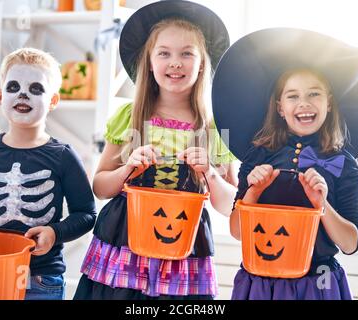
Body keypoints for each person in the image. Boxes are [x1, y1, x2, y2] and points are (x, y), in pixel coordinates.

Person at [74, 0, 237, 300]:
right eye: (164, 53)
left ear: (203, 62)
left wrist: (211, 174)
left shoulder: (214, 128)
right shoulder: (130, 117)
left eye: (187, 53)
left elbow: (231, 206)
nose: (175, 62)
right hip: (124, 244)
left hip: (184, 249)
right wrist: (127, 170)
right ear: (149, 61)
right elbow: (100, 187)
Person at [212, 28, 358, 299]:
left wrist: (322, 205)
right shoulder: (258, 154)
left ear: (329, 103)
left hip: (318, 283)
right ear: (280, 107)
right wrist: (254, 191)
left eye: (314, 94)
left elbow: (350, 243)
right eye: (293, 96)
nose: (303, 103)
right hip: (262, 282)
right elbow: (238, 231)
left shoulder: (343, 163)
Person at [0, 47, 97, 300]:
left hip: (41, 279)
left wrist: (55, 232)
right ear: (0, 96)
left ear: (53, 101)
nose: (22, 94)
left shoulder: (63, 155)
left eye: (36, 89)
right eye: (13, 87)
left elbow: (87, 214)